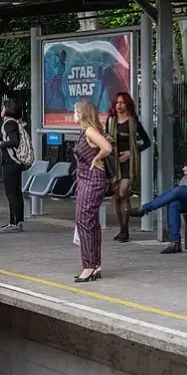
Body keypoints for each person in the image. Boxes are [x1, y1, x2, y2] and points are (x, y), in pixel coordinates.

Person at [72, 101, 113, 282]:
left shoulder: (89, 131)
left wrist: (97, 158)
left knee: (84, 221)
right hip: (87, 179)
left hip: (92, 179)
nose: (73, 114)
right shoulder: (87, 131)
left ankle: (88, 266)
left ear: (82, 114)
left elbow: (107, 148)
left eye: (75, 111)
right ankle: (95, 265)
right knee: (91, 222)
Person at [105, 92, 151, 242]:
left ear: (128, 105)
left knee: (124, 193)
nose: (119, 105)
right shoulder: (110, 121)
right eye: (117, 102)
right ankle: (123, 228)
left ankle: (125, 229)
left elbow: (147, 142)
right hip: (114, 163)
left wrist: (132, 152)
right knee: (118, 196)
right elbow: (105, 140)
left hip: (128, 164)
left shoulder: (133, 122)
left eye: (122, 102)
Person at [0, 99, 25, 234]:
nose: (1, 109)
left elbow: (13, 141)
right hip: (16, 162)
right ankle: (19, 221)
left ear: (7, 109)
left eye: (3, 107)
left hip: (10, 163)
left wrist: (1, 144)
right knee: (17, 192)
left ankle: (13, 222)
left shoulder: (9, 124)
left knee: (11, 193)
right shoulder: (16, 123)